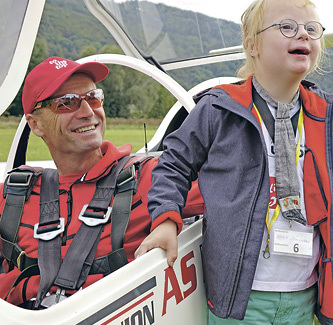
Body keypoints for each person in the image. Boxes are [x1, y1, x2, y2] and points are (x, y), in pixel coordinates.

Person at [145, 0, 333, 325]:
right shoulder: (217, 110)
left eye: (311, 29)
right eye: (287, 27)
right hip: (239, 297)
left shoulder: (326, 117)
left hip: (301, 294)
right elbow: (172, 165)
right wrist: (165, 219)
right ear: (252, 46)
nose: (302, 35)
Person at [0, 56, 204, 309]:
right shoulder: (13, 195)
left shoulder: (153, 178)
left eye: (93, 97)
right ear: (36, 124)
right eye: (67, 103)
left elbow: (241, 190)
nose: (88, 112)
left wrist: (168, 220)